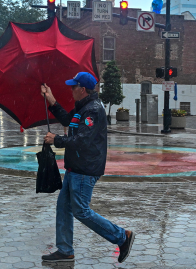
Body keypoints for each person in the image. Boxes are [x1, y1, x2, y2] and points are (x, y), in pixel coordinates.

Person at [40, 72, 135, 263]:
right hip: (75, 168)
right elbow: (68, 120)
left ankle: (122, 237)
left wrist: (56, 139)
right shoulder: (83, 107)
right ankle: (65, 250)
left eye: (73, 87)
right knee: (64, 207)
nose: (71, 90)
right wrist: (51, 99)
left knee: (81, 211)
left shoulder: (93, 110)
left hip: (85, 170)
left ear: (82, 89)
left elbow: (82, 140)